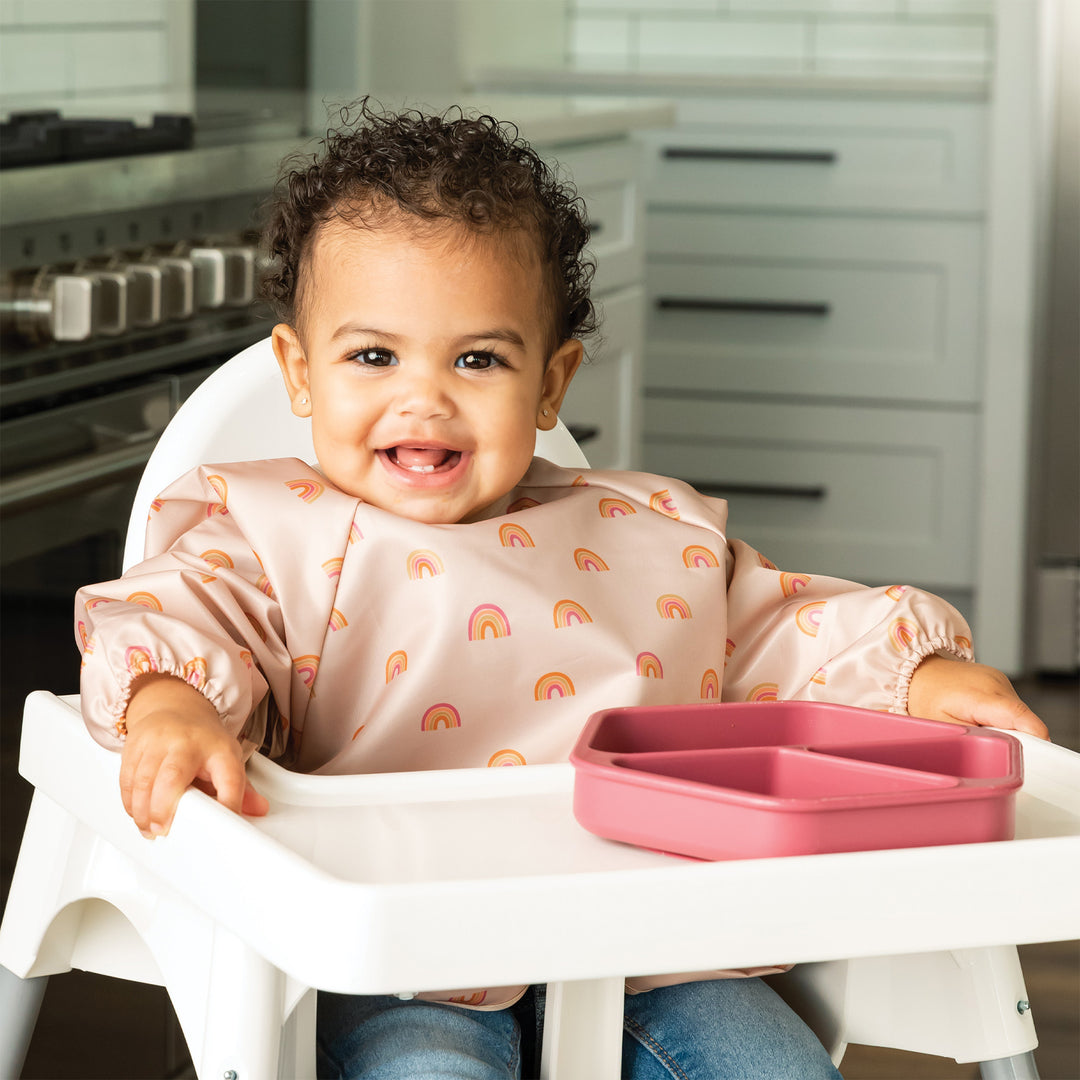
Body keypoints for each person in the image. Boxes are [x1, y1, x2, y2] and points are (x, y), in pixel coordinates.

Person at [75, 101, 1048, 1080]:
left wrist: (922, 681)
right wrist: (172, 704)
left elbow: (786, 635)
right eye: (374, 356)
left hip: (656, 951)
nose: (425, 396)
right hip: (405, 962)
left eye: (479, 359)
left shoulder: (647, 538)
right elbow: (179, 619)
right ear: (300, 370)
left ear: (551, 383)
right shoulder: (268, 537)